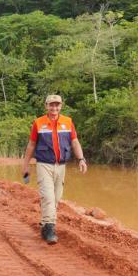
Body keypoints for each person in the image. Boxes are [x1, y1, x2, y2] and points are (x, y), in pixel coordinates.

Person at [21, 94, 87, 244]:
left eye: (57, 105)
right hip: (44, 164)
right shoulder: (38, 123)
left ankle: (45, 225)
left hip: (61, 166)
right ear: (46, 106)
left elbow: (75, 142)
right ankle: (50, 229)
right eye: (51, 105)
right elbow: (31, 145)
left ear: (61, 106)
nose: (54, 108)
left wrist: (81, 159)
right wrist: (25, 165)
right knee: (48, 197)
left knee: (56, 198)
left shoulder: (68, 122)